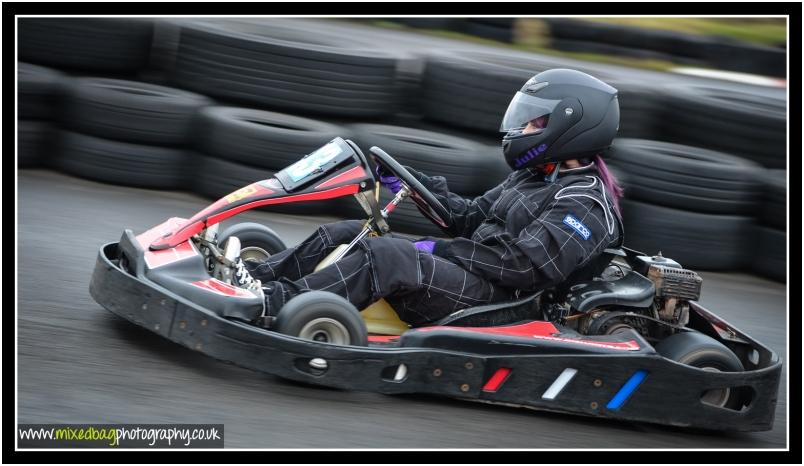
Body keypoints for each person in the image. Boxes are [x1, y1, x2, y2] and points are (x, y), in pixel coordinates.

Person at [234, 68, 625, 328]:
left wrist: (439, 248)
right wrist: (409, 180)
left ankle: (272, 305)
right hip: (477, 279)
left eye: (535, 122)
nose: (524, 128)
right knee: (352, 231)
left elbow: (525, 266)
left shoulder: (586, 203)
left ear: (573, 122)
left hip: (505, 305)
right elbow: (471, 218)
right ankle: (250, 280)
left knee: (388, 257)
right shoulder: (533, 176)